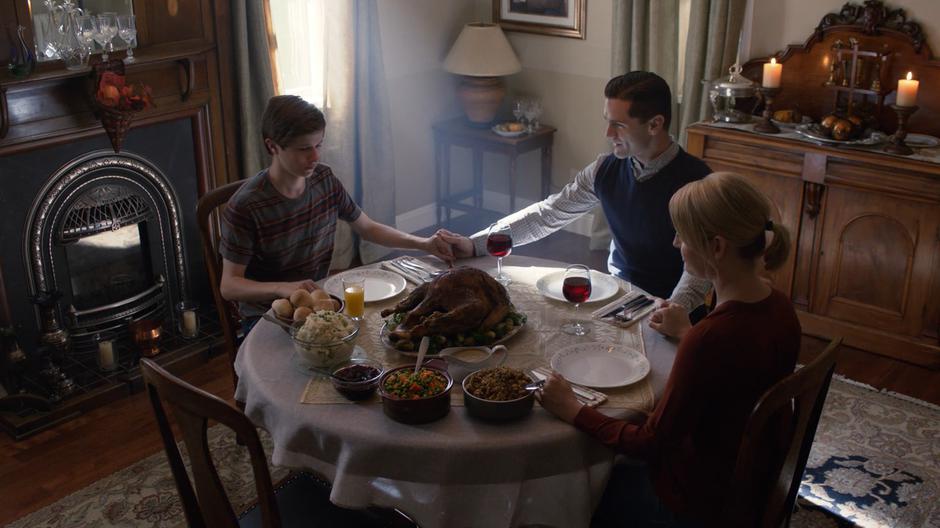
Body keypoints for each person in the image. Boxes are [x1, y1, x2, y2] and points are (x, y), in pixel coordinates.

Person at [538, 172, 801, 527]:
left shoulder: (709, 339)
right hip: (749, 482)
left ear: (717, 248)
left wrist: (571, 409)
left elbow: (650, 443)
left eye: (683, 236)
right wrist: (689, 331)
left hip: (693, 504)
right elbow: (736, 375)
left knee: (566, 495)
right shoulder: (781, 309)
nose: (676, 243)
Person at [437, 71, 712, 311]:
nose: (607, 133)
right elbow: (548, 214)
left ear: (655, 124)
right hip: (618, 296)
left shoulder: (697, 182)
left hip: (672, 307)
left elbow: (700, 268)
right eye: (607, 120)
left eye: (618, 125)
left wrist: (675, 308)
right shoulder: (605, 169)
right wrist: (476, 244)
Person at [219, 95, 454, 323]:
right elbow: (229, 286)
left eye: (318, 145)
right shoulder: (246, 206)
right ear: (272, 147)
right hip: (268, 316)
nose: (315, 156)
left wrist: (424, 244)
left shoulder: (324, 180)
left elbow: (368, 228)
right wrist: (282, 288)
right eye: (303, 149)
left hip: (320, 302)